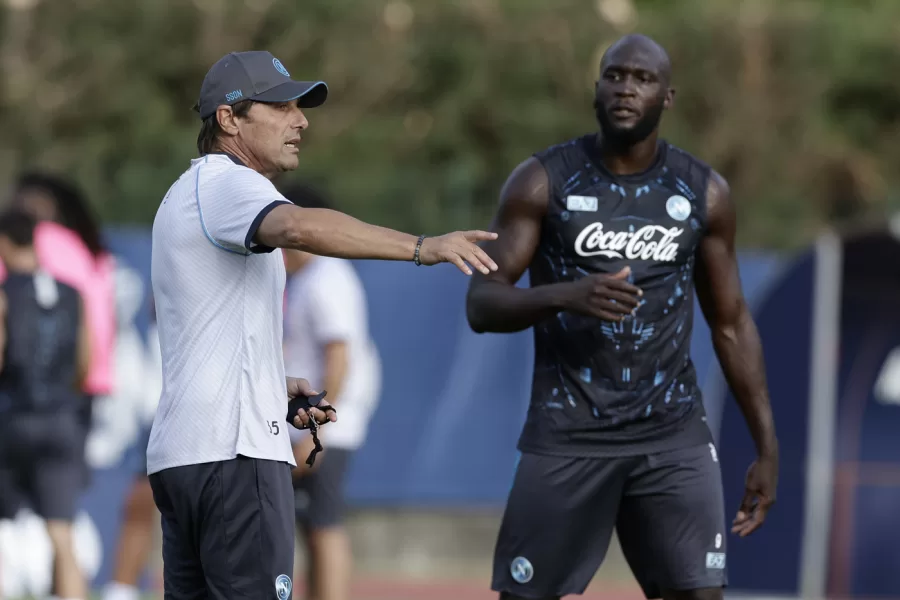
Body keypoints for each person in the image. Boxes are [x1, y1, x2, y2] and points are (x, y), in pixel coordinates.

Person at [148, 50, 498, 600]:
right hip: (235, 459)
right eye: (281, 105)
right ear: (228, 118)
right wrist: (422, 247)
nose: (301, 120)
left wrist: (273, 384)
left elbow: (205, 336)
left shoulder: (186, 194)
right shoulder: (229, 186)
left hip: (186, 454)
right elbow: (299, 227)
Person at [465, 34, 779, 600]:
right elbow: (482, 304)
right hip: (568, 434)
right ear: (597, 89)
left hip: (672, 435)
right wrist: (564, 294)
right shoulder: (542, 180)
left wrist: (766, 446)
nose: (626, 88)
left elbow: (731, 323)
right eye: (615, 76)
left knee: (699, 594)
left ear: (668, 97)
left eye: (642, 78)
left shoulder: (704, 193)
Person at [280, 183, 382, 600]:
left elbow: (338, 358)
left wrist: (315, 433)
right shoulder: (306, 278)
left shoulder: (327, 278)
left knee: (323, 523)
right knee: (310, 525)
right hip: (312, 424)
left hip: (327, 427)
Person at [0, 208, 91, 600]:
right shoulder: (72, 294)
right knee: (63, 537)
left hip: (13, 420)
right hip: (62, 420)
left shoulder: (5, 295)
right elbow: (85, 363)